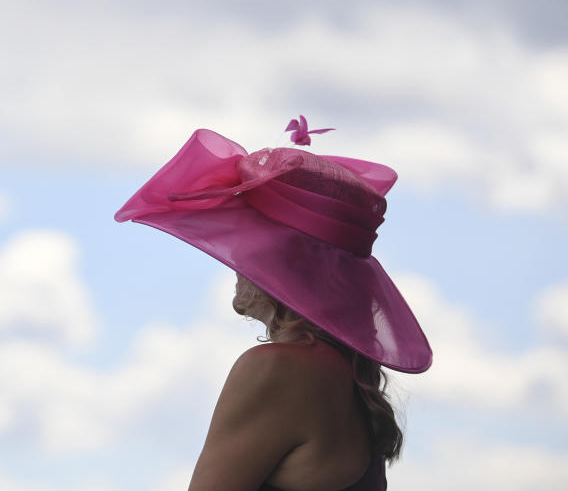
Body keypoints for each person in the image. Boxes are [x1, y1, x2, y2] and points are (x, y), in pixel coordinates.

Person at [114, 121, 432, 491]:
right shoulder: (348, 378)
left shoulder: (278, 369)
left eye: (249, 240)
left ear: (285, 263)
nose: (234, 258)